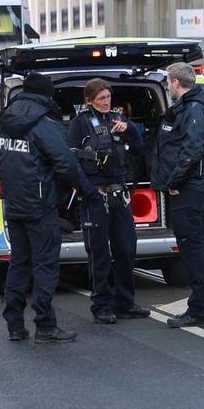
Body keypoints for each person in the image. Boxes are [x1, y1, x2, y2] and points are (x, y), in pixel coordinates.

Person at [0, 71, 93, 344]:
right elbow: (66, 164)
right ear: (46, 94)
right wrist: (82, 190)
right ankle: (45, 325)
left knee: (19, 264)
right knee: (45, 266)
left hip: (15, 204)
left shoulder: (5, 122)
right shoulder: (44, 124)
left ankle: (15, 325)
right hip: (42, 207)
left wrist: (11, 180)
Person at [66, 78, 150, 325]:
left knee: (126, 249)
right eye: (100, 98)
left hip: (119, 194)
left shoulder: (118, 119)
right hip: (95, 197)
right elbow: (71, 162)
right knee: (100, 254)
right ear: (89, 100)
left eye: (108, 98)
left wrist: (130, 129)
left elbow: (138, 148)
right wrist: (88, 191)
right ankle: (101, 305)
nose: (105, 102)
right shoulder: (79, 124)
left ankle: (125, 302)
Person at [152, 62, 204, 329]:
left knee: (192, 249)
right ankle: (201, 306)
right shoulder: (191, 107)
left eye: (168, 82)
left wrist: (173, 182)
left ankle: (200, 309)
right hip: (186, 187)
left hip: (187, 188)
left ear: (176, 83)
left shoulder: (195, 109)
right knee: (192, 248)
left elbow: (191, 152)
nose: (168, 87)